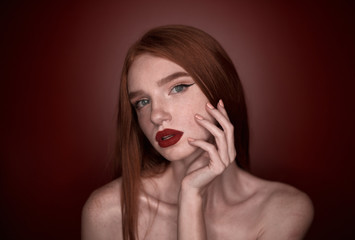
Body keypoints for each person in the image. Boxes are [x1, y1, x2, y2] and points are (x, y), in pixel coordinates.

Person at [81, 25, 313, 240]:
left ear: (219, 88)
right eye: (142, 102)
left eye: (178, 87)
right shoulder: (108, 211)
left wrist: (191, 197)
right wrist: (190, 196)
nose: (156, 115)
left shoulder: (283, 209)